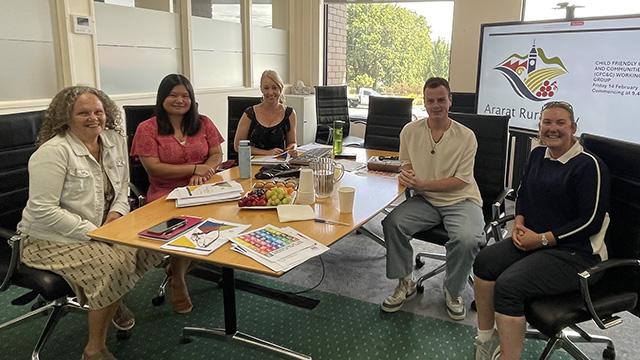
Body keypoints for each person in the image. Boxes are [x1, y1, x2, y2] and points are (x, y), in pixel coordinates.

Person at [17, 86, 163, 360]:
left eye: (99, 111)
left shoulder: (113, 140)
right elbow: (43, 210)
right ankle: (94, 348)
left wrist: (116, 216)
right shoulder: (54, 152)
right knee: (114, 264)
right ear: (66, 117)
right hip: (49, 239)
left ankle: (111, 297)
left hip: (105, 228)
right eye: (83, 113)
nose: (94, 118)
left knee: (148, 245)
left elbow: (122, 188)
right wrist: (95, 233)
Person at [473, 101, 610, 360]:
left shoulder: (589, 166)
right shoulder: (538, 154)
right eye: (547, 122)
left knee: (509, 286)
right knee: (484, 262)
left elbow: (589, 221)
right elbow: (523, 193)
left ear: (573, 128)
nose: (553, 128)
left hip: (574, 254)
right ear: (539, 127)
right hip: (533, 239)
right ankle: (486, 339)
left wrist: (543, 240)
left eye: (560, 123)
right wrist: (520, 224)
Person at [380, 77, 485, 320]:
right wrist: (407, 174)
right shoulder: (409, 131)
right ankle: (406, 281)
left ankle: (453, 291)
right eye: (430, 100)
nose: (436, 105)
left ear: (450, 100)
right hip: (426, 200)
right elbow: (405, 163)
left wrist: (423, 184)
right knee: (393, 223)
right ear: (424, 103)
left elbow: (461, 180)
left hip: (461, 200)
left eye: (441, 99)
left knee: (468, 239)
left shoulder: (466, 136)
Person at [130, 74, 224, 314]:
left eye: (185, 96)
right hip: (165, 193)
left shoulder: (203, 123)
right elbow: (154, 167)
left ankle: (176, 267)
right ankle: (179, 279)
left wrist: (204, 172)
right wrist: (194, 168)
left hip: (202, 187)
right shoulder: (147, 128)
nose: (180, 100)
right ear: (162, 98)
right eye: (173, 95)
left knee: (228, 219)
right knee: (190, 223)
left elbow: (216, 155)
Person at [233, 69, 298, 155]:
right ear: (261, 89)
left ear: (280, 88)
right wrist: (267, 153)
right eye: (266, 88)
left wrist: (292, 148)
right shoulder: (250, 114)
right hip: (252, 164)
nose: (270, 92)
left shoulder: (289, 113)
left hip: (278, 164)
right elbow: (238, 146)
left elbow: (292, 142)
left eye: (274, 88)